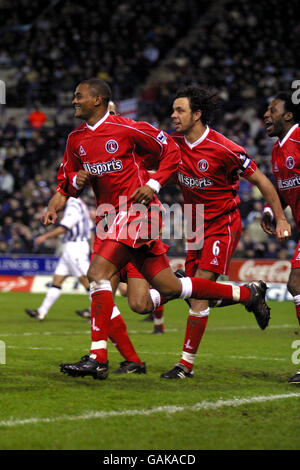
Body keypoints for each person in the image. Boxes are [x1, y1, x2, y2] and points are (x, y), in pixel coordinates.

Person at [44, 77, 270, 381]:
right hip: (111, 218)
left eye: (78, 95)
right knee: (155, 295)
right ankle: (246, 294)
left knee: (97, 274)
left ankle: (98, 357)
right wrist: (56, 203)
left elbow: (170, 153)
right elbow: (67, 182)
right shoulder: (76, 140)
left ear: (97, 100)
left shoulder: (128, 128)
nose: (74, 101)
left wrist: (153, 183)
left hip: (139, 212)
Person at [160, 85, 291, 379]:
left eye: (179, 110)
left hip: (222, 223)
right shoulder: (171, 144)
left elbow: (263, 182)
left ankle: (185, 365)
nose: (173, 115)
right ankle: (249, 293)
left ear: (197, 114)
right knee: (198, 293)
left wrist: (281, 218)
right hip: (194, 222)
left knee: (196, 290)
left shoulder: (225, 148)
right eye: (173, 110)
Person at [25, 196, 146, 374]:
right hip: (89, 243)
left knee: (98, 290)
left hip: (81, 246)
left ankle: (111, 357)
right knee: (60, 282)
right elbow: (90, 228)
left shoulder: (74, 203)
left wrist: (44, 236)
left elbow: (66, 225)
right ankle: (42, 312)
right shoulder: (83, 202)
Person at [75, 99, 166, 335]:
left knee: (130, 298)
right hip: (108, 223)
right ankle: (113, 356)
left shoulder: (135, 151)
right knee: (120, 295)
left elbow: (164, 160)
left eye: (114, 114)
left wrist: (153, 182)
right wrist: (77, 179)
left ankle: (176, 289)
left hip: (136, 221)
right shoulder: (91, 147)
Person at [262, 90, 300, 385]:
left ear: (289, 115)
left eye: (272, 110)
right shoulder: (277, 151)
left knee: (296, 282)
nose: (266, 114)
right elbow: (282, 190)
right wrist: (271, 211)